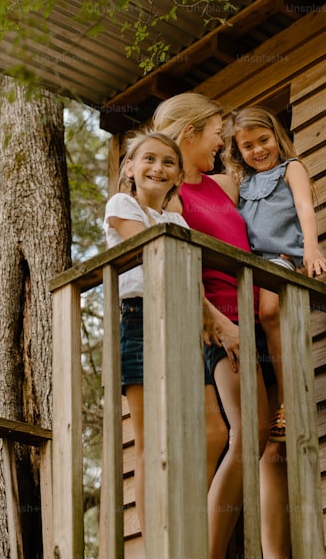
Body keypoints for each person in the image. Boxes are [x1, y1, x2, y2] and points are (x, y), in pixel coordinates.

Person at [152, 93, 290, 559]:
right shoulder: (171, 195)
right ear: (189, 133)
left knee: (273, 443)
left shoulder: (224, 186)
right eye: (216, 134)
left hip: (257, 318)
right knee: (247, 431)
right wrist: (216, 323)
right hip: (219, 324)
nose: (221, 144)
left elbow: (271, 199)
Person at [103, 131, 228, 537]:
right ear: (130, 168)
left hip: (183, 323)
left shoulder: (176, 219)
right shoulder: (122, 204)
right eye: (149, 160)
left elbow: (190, 274)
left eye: (168, 163)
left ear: (177, 176)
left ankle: (193, 522)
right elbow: (156, 254)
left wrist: (207, 315)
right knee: (149, 437)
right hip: (142, 319)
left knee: (214, 431)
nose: (158, 168)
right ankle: (157, 534)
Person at [222, 105, 326, 443]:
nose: (258, 150)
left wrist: (311, 248)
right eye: (248, 146)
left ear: (277, 137)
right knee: (256, 327)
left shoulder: (290, 168)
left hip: (280, 258)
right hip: (250, 265)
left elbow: (304, 207)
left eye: (264, 140)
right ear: (238, 151)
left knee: (270, 312)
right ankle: (263, 406)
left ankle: (288, 402)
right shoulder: (243, 182)